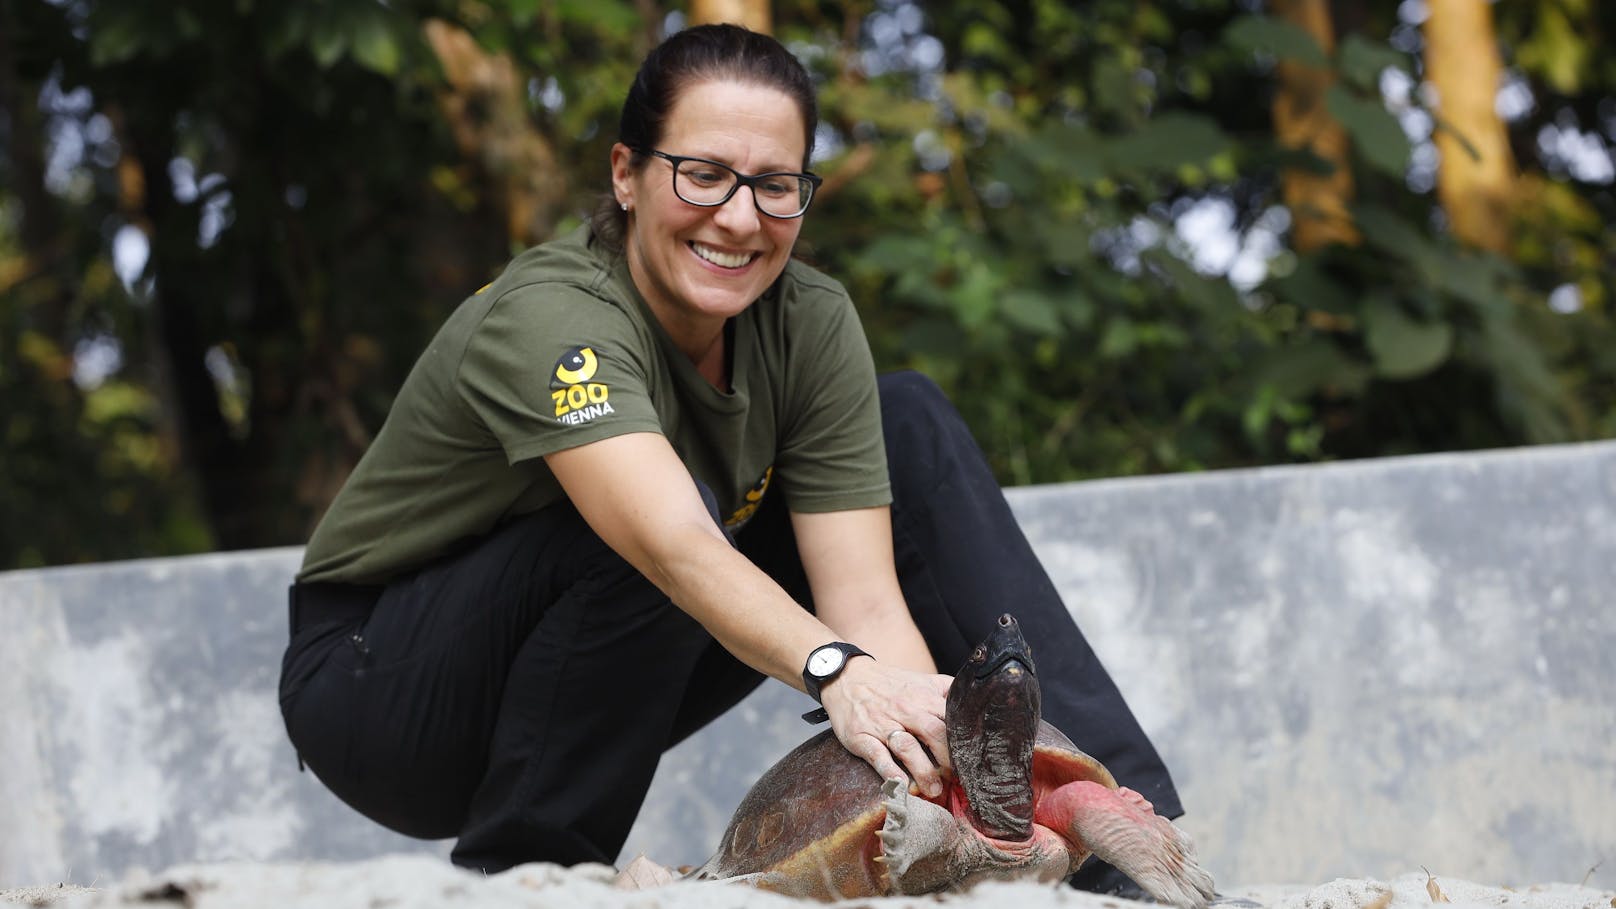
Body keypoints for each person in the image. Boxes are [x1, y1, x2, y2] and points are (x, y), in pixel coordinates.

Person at [278, 22, 1181, 894]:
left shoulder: (810, 321)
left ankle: (1122, 847)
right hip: (378, 689)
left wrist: (921, 767)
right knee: (657, 526)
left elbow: (864, 603)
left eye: (774, 185)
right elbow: (672, 544)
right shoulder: (553, 314)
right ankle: (531, 877)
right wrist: (839, 673)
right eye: (703, 175)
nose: (740, 219)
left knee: (905, 417)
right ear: (626, 174)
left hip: (598, 648)